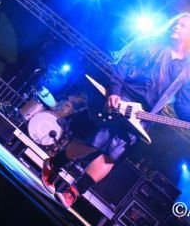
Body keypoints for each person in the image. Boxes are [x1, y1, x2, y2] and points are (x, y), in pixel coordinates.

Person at [42, 13, 190, 208]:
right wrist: (114, 91)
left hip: (142, 117)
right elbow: (123, 65)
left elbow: (182, 105)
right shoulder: (152, 44)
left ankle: (74, 193)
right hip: (122, 98)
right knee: (95, 142)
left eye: (183, 26)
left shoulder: (186, 71)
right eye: (176, 23)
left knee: (112, 155)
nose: (176, 26)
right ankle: (54, 164)